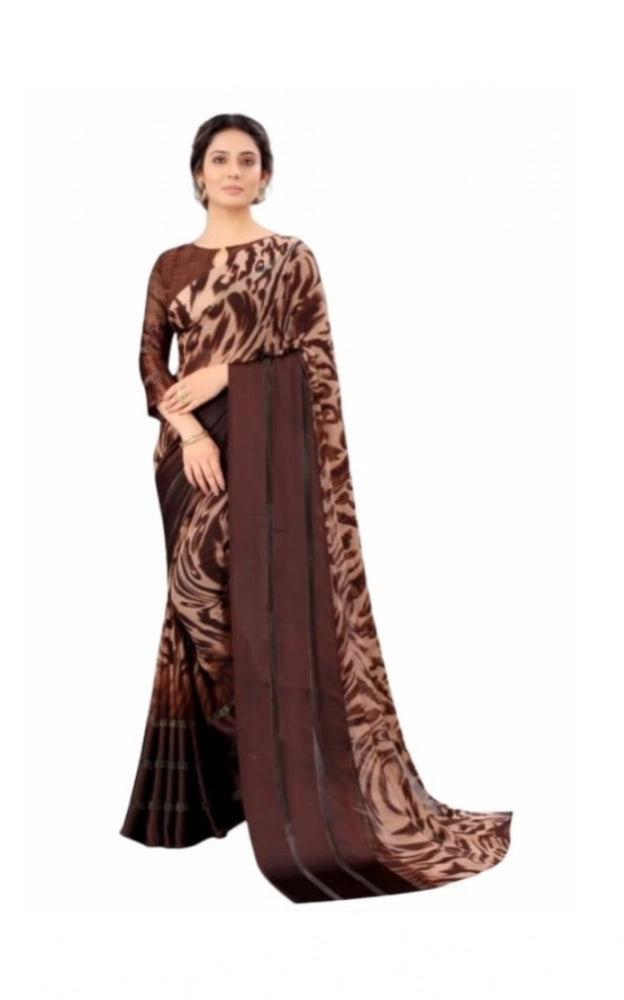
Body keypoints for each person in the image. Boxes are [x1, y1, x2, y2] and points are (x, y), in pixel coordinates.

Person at [119, 113, 513, 903]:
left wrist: (230, 374)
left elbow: (315, 360)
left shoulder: (290, 258)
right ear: (198, 174)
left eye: (248, 160)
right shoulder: (170, 264)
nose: (234, 171)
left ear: (265, 175)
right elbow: (148, 358)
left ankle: (284, 782)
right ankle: (229, 789)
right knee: (199, 609)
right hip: (189, 461)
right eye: (220, 159)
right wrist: (189, 429)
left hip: (268, 457)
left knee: (259, 612)